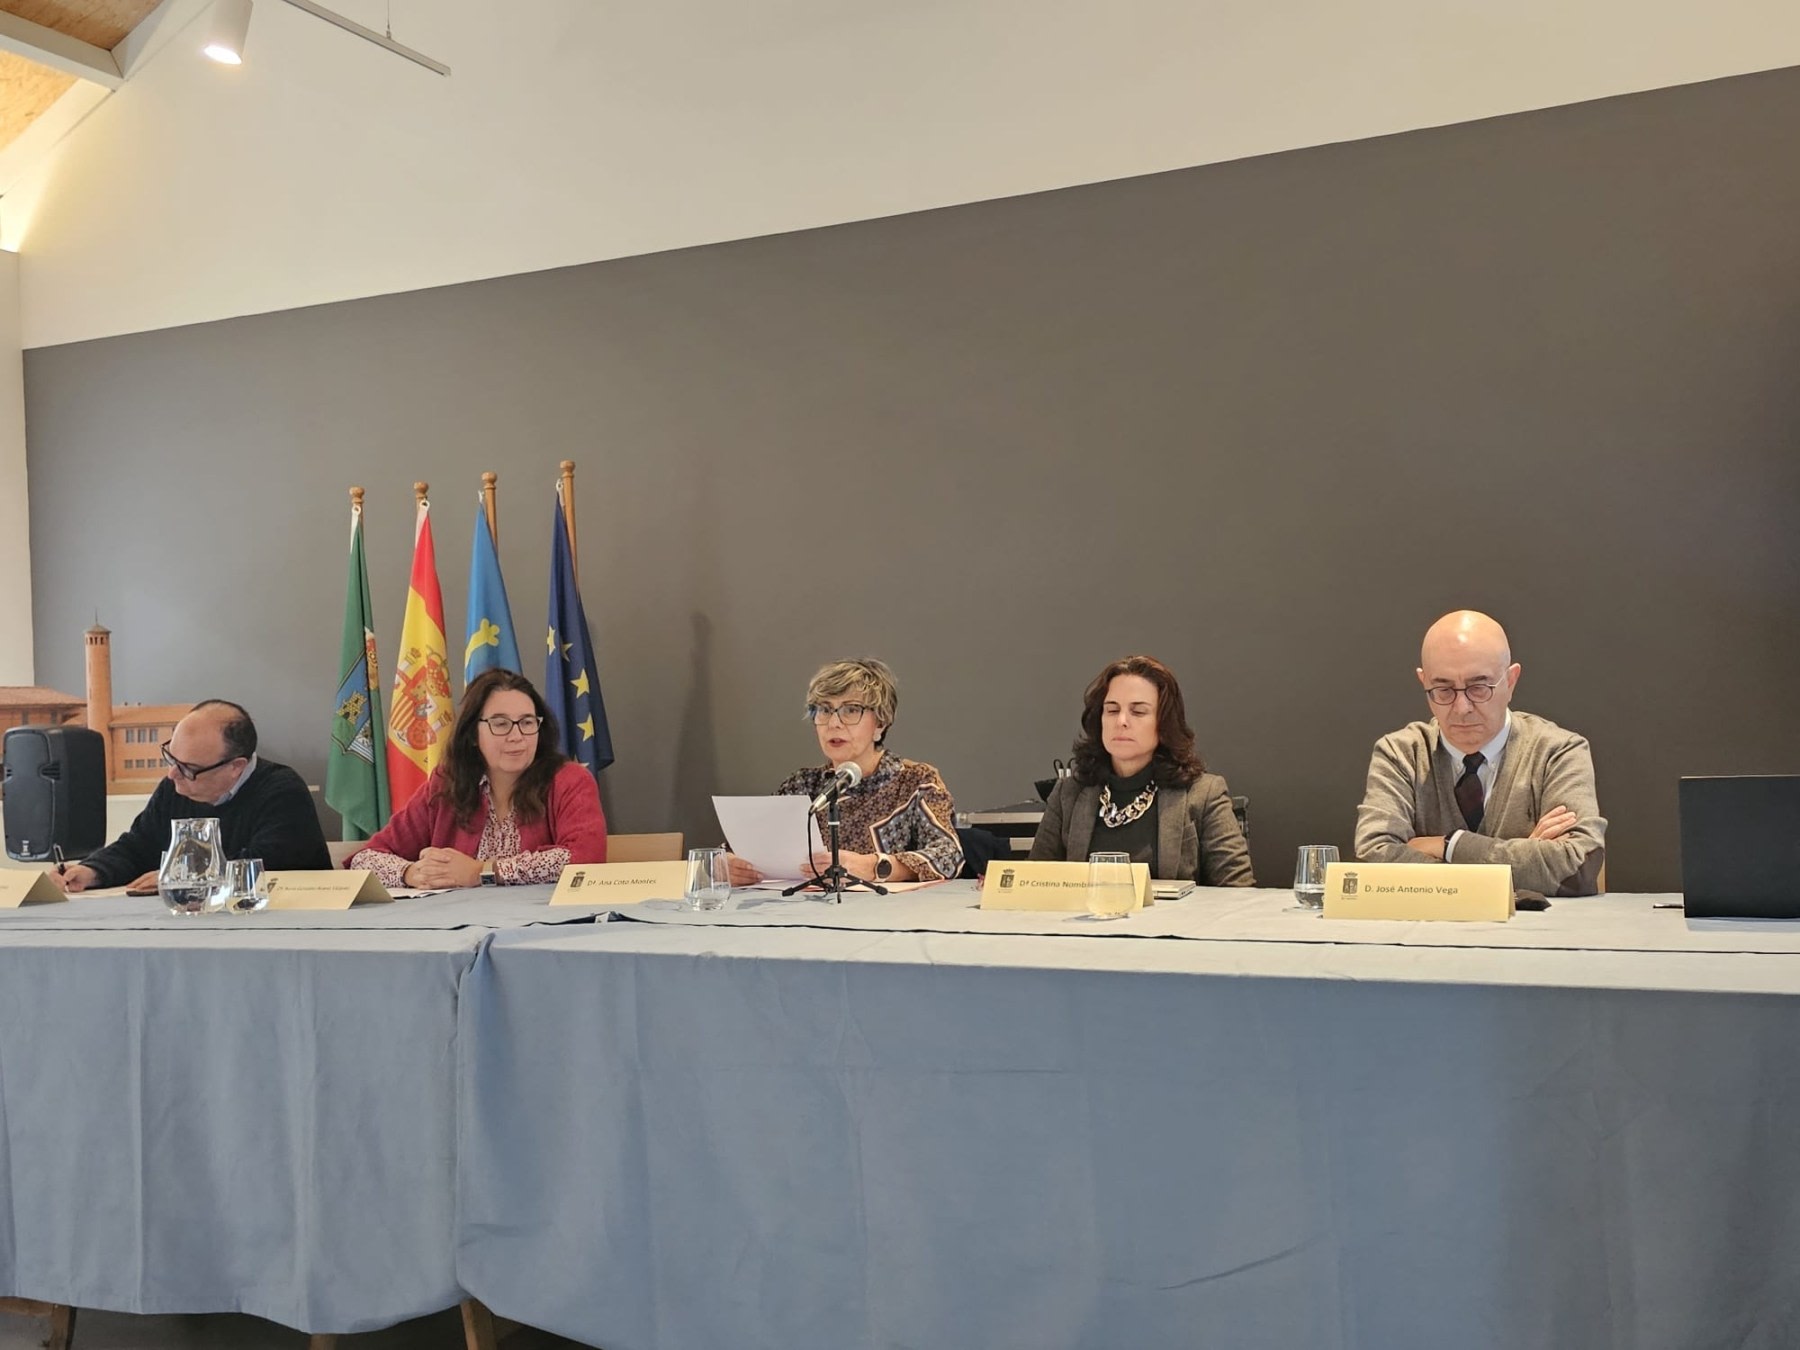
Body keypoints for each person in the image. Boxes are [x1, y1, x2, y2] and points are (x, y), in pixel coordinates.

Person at [1353, 609, 1605, 896]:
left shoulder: (1557, 752)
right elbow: (1373, 861)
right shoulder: (1401, 755)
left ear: (1510, 681)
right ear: (1424, 682)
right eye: (1443, 689)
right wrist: (1525, 859)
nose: (1462, 708)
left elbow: (1579, 868)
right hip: (1427, 933)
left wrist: (1449, 845)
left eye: (1479, 687)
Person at [349, 669, 607, 887]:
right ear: (473, 734)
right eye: (501, 723)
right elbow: (365, 859)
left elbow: (584, 859)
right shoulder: (446, 784)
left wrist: (480, 872)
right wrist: (411, 873)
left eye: (527, 722)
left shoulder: (570, 780)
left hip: (542, 928)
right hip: (453, 929)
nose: (517, 736)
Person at [47, 699, 330, 892]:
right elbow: (139, 845)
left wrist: (179, 878)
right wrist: (91, 871)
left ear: (236, 767)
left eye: (188, 768)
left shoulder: (282, 790)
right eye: (172, 758)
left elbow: (262, 866)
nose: (173, 775)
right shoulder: (176, 786)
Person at [726, 658, 962, 885]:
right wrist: (727, 865)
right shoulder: (801, 785)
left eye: (850, 710)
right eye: (825, 710)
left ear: (880, 723)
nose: (833, 723)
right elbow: (753, 848)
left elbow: (949, 856)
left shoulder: (915, 781)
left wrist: (873, 867)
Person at [1029, 655, 1254, 885]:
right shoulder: (1069, 792)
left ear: (1164, 723)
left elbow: (1238, 893)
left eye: (1138, 712)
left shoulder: (1204, 793)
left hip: (1173, 921)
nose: (1122, 721)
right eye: (1112, 710)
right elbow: (1033, 885)